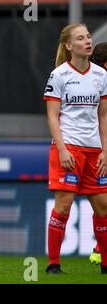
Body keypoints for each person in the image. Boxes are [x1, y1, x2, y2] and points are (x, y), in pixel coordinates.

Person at [43, 24, 107, 274]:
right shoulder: (59, 75)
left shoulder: (101, 75)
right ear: (69, 46)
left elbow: (103, 116)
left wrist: (105, 151)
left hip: (94, 151)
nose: (88, 41)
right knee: (64, 205)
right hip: (68, 147)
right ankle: (53, 265)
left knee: (103, 206)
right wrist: (62, 149)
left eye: (89, 36)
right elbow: (52, 116)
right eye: (80, 38)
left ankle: (104, 265)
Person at [88, 42, 107, 266]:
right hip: (96, 151)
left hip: (97, 150)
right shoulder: (95, 87)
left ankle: (99, 249)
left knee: (101, 203)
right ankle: (99, 249)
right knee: (100, 202)